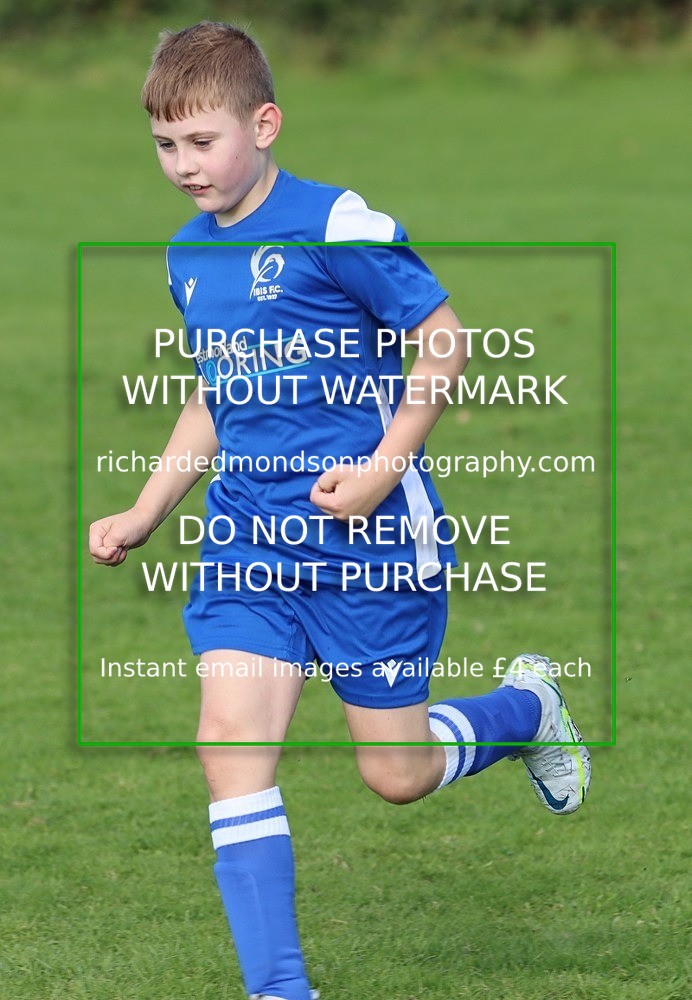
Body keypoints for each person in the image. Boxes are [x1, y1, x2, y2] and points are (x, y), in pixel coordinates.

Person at [89, 21, 591, 1000]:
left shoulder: (336, 224)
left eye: (203, 141)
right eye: (164, 145)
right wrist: (148, 507)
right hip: (248, 537)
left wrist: (375, 468)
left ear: (263, 122)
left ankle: (527, 708)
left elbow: (441, 341)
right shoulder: (188, 255)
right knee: (228, 745)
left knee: (394, 775)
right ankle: (280, 990)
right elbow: (213, 391)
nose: (183, 166)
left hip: (366, 541)